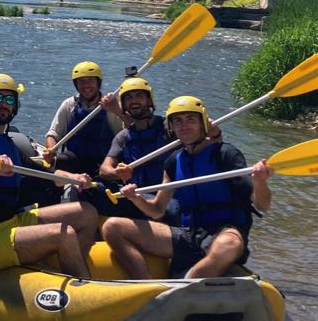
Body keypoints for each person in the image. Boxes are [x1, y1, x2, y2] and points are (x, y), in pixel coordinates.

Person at [102, 96, 273, 280]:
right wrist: (136, 198)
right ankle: (145, 282)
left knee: (228, 245)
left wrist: (260, 181)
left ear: (203, 124)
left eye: (191, 119)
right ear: (171, 127)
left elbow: (262, 204)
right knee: (112, 227)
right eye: (178, 121)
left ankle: (186, 284)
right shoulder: (173, 161)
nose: (184, 126)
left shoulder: (225, 154)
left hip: (225, 230)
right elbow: (157, 210)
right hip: (189, 233)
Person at [0, 73, 98, 275]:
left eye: (9, 99)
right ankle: (82, 284)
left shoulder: (9, 144)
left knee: (86, 212)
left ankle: (69, 264)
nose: (3, 104)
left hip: (12, 222)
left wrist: (75, 178)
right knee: (64, 233)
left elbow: (46, 173)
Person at [97, 77, 221, 219]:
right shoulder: (123, 136)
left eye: (139, 95)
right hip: (136, 196)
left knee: (169, 211)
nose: (134, 101)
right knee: (94, 191)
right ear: (124, 104)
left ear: (149, 100)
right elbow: (104, 169)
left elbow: (209, 145)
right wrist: (117, 173)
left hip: (167, 199)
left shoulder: (170, 127)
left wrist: (215, 134)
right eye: (129, 98)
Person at [44, 61, 125, 177]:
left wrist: (117, 110)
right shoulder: (69, 105)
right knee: (61, 160)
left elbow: (127, 134)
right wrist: (51, 150)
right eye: (81, 81)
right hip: (76, 161)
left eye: (90, 80)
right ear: (76, 84)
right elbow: (53, 134)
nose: (86, 86)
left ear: (98, 83)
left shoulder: (111, 106)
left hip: (104, 163)